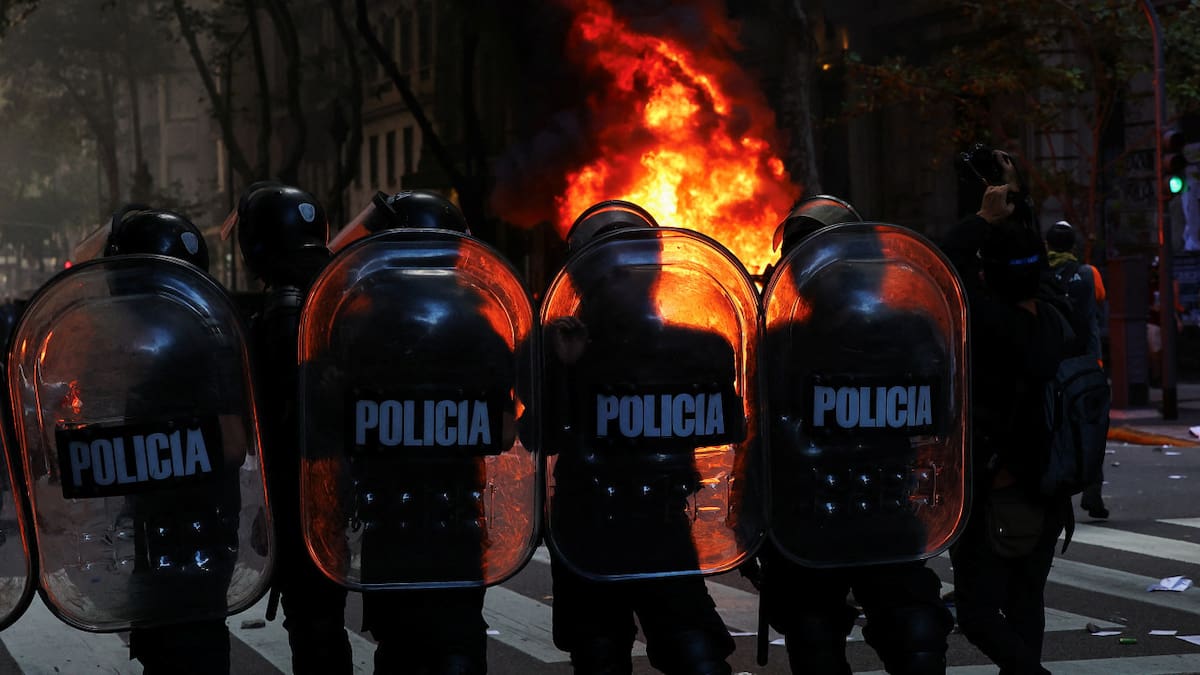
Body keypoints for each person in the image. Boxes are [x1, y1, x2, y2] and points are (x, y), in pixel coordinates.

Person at [756, 195, 956, 675]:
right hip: (875, 505)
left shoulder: (780, 335)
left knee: (825, 632)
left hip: (824, 512)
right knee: (901, 629)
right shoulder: (911, 327)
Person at [542, 200, 741, 675]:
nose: (619, 280)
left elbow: (732, 428)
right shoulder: (555, 344)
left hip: (659, 520)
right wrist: (563, 371)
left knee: (691, 650)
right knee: (602, 652)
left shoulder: (698, 345)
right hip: (589, 524)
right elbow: (539, 438)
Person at [942, 146, 1073, 675]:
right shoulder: (1055, 315)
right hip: (1047, 490)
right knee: (1025, 605)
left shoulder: (985, 326)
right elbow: (1030, 260)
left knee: (976, 612)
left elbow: (945, 261)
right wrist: (1018, 201)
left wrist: (981, 219)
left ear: (988, 276)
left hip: (997, 488)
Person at [99, 206, 238, 675]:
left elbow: (231, 442)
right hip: (165, 534)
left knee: (188, 651)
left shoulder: (196, 344)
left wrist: (141, 455)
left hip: (191, 537)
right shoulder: (163, 340)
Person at [225, 182, 354, 674]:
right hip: (355, 482)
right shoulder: (346, 291)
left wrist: (272, 509)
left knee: (314, 625)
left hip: (307, 491)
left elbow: (279, 426)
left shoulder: (282, 312)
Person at [1044, 220, 1110, 519]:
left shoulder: (1040, 275)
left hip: (1052, 363)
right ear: (1072, 245)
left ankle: (1055, 486)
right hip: (1086, 364)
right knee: (1092, 425)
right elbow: (1099, 305)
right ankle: (1092, 490)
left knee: (1054, 426)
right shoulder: (1087, 274)